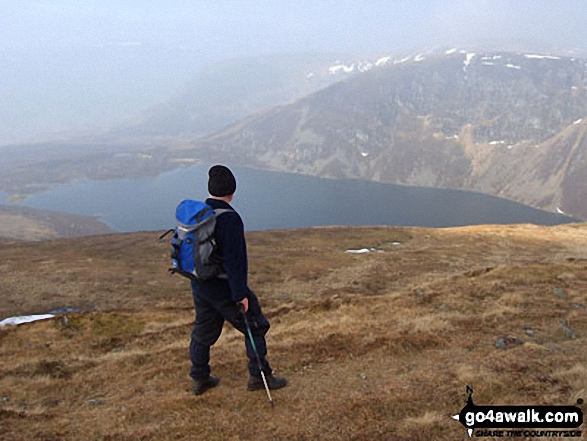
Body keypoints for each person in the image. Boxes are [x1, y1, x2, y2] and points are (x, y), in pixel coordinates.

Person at [189, 165, 288, 395]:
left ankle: (199, 378)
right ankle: (260, 376)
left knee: (203, 331)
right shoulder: (230, 219)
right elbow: (235, 262)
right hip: (223, 286)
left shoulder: (198, 214)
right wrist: (240, 295)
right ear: (231, 191)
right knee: (255, 325)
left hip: (201, 284)